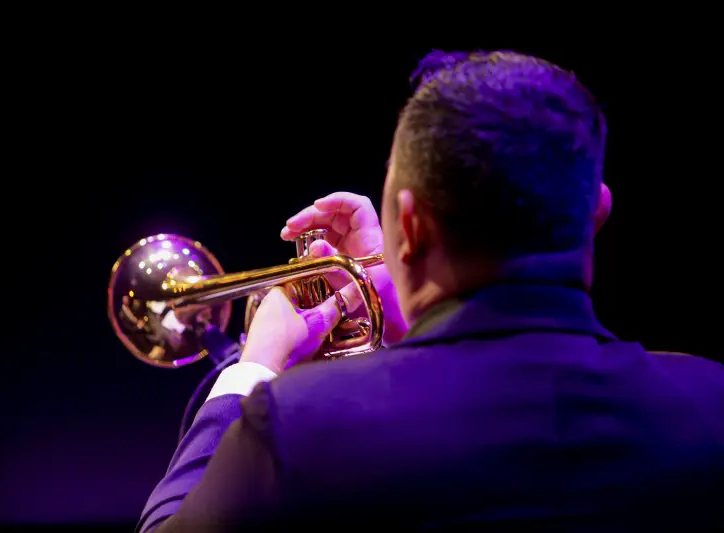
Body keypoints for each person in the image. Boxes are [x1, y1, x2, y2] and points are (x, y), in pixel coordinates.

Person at [138, 50, 724, 531]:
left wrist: (255, 364)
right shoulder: (711, 404)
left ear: (410, 226)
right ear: (598, 211)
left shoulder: (298, 424)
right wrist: (410, 318)